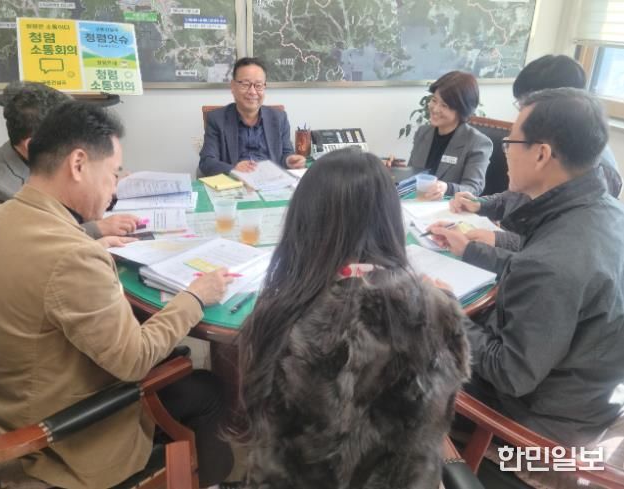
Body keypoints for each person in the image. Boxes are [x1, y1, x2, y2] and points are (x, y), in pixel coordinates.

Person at [0, 102, 234, 488]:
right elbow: (135, 360)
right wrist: (195, 296)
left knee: (171, 352)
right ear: (78, 164)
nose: (115, 188)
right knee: (207, 390)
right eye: (113, 173)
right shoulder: (73, 256)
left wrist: (92, 246)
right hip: (57, 438)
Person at [236, 148, 470, 488]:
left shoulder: (278, 314)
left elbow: (260, 424)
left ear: (303, 223)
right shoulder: (438, 312)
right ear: (389, 220)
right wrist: (435, 298)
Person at [429, 88, 624, 447]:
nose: (505, 151)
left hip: (535, 425)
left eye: (510, 142)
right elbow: (537, 265)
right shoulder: (605, 211)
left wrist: (447, 311)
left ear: (541, 154)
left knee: (406, 351)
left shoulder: (553, 263)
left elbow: (509, 374)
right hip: (584, 396)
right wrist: (472, 249)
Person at [448, 55, 622, 273]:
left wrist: (498, 240)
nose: (521, 112)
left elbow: (560, 251)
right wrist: (481, 204)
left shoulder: (597, 171)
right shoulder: (551, 154)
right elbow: (519, 198)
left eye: (525, 103)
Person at [0, 81, 139, 238]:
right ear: (32, 144)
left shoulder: (37, 159)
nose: (75, 143)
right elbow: (32, 242)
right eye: (67, 135)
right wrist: (97, 228)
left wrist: (102, 182)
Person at [198, 57, 306, 176]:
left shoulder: (279, 118)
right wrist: (233, 169)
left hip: (272, 182)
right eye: (245, 84)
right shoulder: (217, 119)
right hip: (237, 182)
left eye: (258, 85)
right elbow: (207, 162)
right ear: (233, 86)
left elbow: (286, 153)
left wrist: (289, 160)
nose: (253, 92)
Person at [402, 71, 492, 199]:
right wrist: (396, 171)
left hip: (449, 207)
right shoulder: (423, 132)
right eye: (434, 100)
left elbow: (473, 189)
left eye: (444, 105)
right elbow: (413, 175)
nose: (435, 109)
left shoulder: (477, 143)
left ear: (462, 110)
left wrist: (447, 188)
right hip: (417, 203)